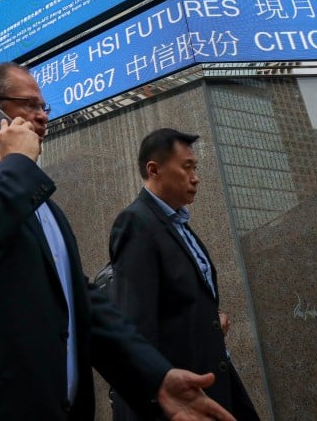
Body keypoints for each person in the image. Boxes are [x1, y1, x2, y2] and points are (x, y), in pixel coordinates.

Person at [0, 62, 233, 421]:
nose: (42, 117)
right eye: (29, 104)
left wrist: (155, 376)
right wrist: (18, 162)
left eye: (44, 108)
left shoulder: (41, 202)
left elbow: (78, 300)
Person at [108, 129, 260, 420]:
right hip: (181, 395)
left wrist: (209, 323)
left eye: (196, 167)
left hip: (213, 380)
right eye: (186, 167)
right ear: (154, 170)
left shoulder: (179, 225)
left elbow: (179, 305)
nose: (196, 177)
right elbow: (137, 322)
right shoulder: (136, 223)